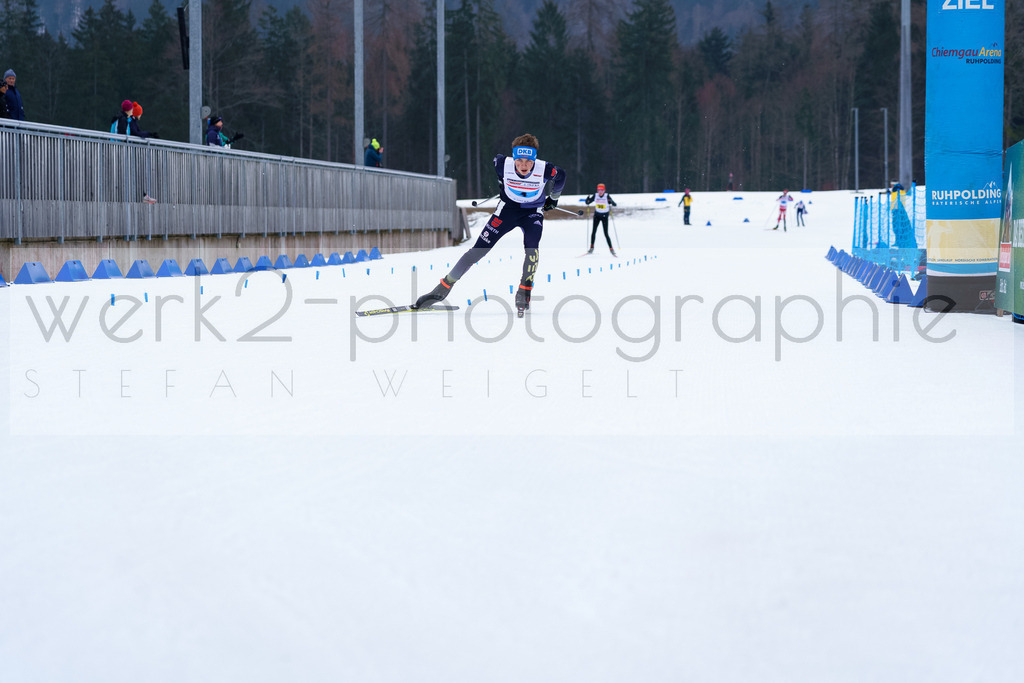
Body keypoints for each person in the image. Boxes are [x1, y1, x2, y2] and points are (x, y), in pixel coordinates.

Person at [412, 132, 565, 316]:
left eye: (528, 161)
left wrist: (553, 199)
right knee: (477, 252)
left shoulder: (545, 169)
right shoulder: (502, 164)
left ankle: (524, 291)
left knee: (532, 249)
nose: (523, 165)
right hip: (507, 211)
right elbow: (497, 166)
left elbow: (561, 176)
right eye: (519, 160)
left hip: (532, 212)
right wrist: (502, 184)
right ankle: (441, 289)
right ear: (514, 158)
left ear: (535, 160)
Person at [584, 183, 617, 255]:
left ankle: (611, 249)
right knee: (593, 232)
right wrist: (587, 199)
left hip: (605, 216)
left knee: (606, 233)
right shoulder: (595, 195)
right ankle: (591, 248)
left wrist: (610, 201)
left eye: (602, 190)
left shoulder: (606, 196)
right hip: (597, 216)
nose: (600, 192)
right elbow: (587, 202)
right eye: (599, 190)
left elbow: (614, 204)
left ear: (604, 190)